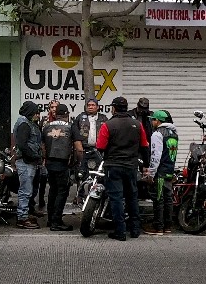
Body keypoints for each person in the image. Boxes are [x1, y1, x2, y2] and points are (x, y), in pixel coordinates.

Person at [96, 96, 149, 241]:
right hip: (131, 166)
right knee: (132, 197)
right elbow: (144, 146)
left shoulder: (108, 125)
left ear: (113, 108)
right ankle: (135, 230)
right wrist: (146, 165)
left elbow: (100, 146)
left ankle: (120, 231)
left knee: (116, 198)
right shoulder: (137, 125)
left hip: (113, 166)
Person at [41, 104, 84, 231]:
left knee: (53, 190)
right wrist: (78, 162)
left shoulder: (47, 126)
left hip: (50, 163)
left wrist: (45, 159)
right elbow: (79, 148)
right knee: (62, 191)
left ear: (56, 114)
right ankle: (56, 222)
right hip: (63, 163)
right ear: (67, 114)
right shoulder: (71, 127)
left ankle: (50, 219)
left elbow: (42, 146)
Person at [143, 110, 179, 235]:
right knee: (168, 199)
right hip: (169, 171)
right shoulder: (174, 134)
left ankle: (158, 227)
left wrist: (151, 173)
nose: (152, 122)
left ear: (158, 121)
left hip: (160, 172)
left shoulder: (157, 134)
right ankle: (167, 226)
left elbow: (155, 156)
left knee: (159, 199)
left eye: (153, 119)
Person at [13, 101, 43, 229]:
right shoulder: (24, 124)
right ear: (30, 112)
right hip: (26, 162)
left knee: (29, 189)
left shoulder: (30, 123)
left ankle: (27, 213)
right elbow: (22, 144)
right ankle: (22, 218)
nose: (38, 115)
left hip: (30, 162)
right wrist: (34, 156)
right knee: (25, 191)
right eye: (36, 113)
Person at [73, 97, 108, 204]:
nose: (90, 107)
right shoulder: (80, 117)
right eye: (89, 105)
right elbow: (75, 132)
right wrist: (78, 146)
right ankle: (79, 195)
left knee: (98, 173)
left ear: (97, 107)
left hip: (99, 150)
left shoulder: (103, 118)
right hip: (84, 149)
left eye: (93, 105)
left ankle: (94, 196)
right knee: (81, 172)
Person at [35, 99, 60, 210]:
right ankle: (41, 199)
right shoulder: (45, 120)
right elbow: (40, 137)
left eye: (56, 107)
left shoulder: (62, 120)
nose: (54, 109)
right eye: (52, 107)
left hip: (58, 153)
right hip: (45, 152)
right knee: (43, 177)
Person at [127, 97, 153, 169]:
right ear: (138, 106)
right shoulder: (129, 115)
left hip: (147, 145)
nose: (142, 111)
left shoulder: (151, 116)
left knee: (146, 166)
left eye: (145, 108)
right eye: (141, 108)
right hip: (133, 145)